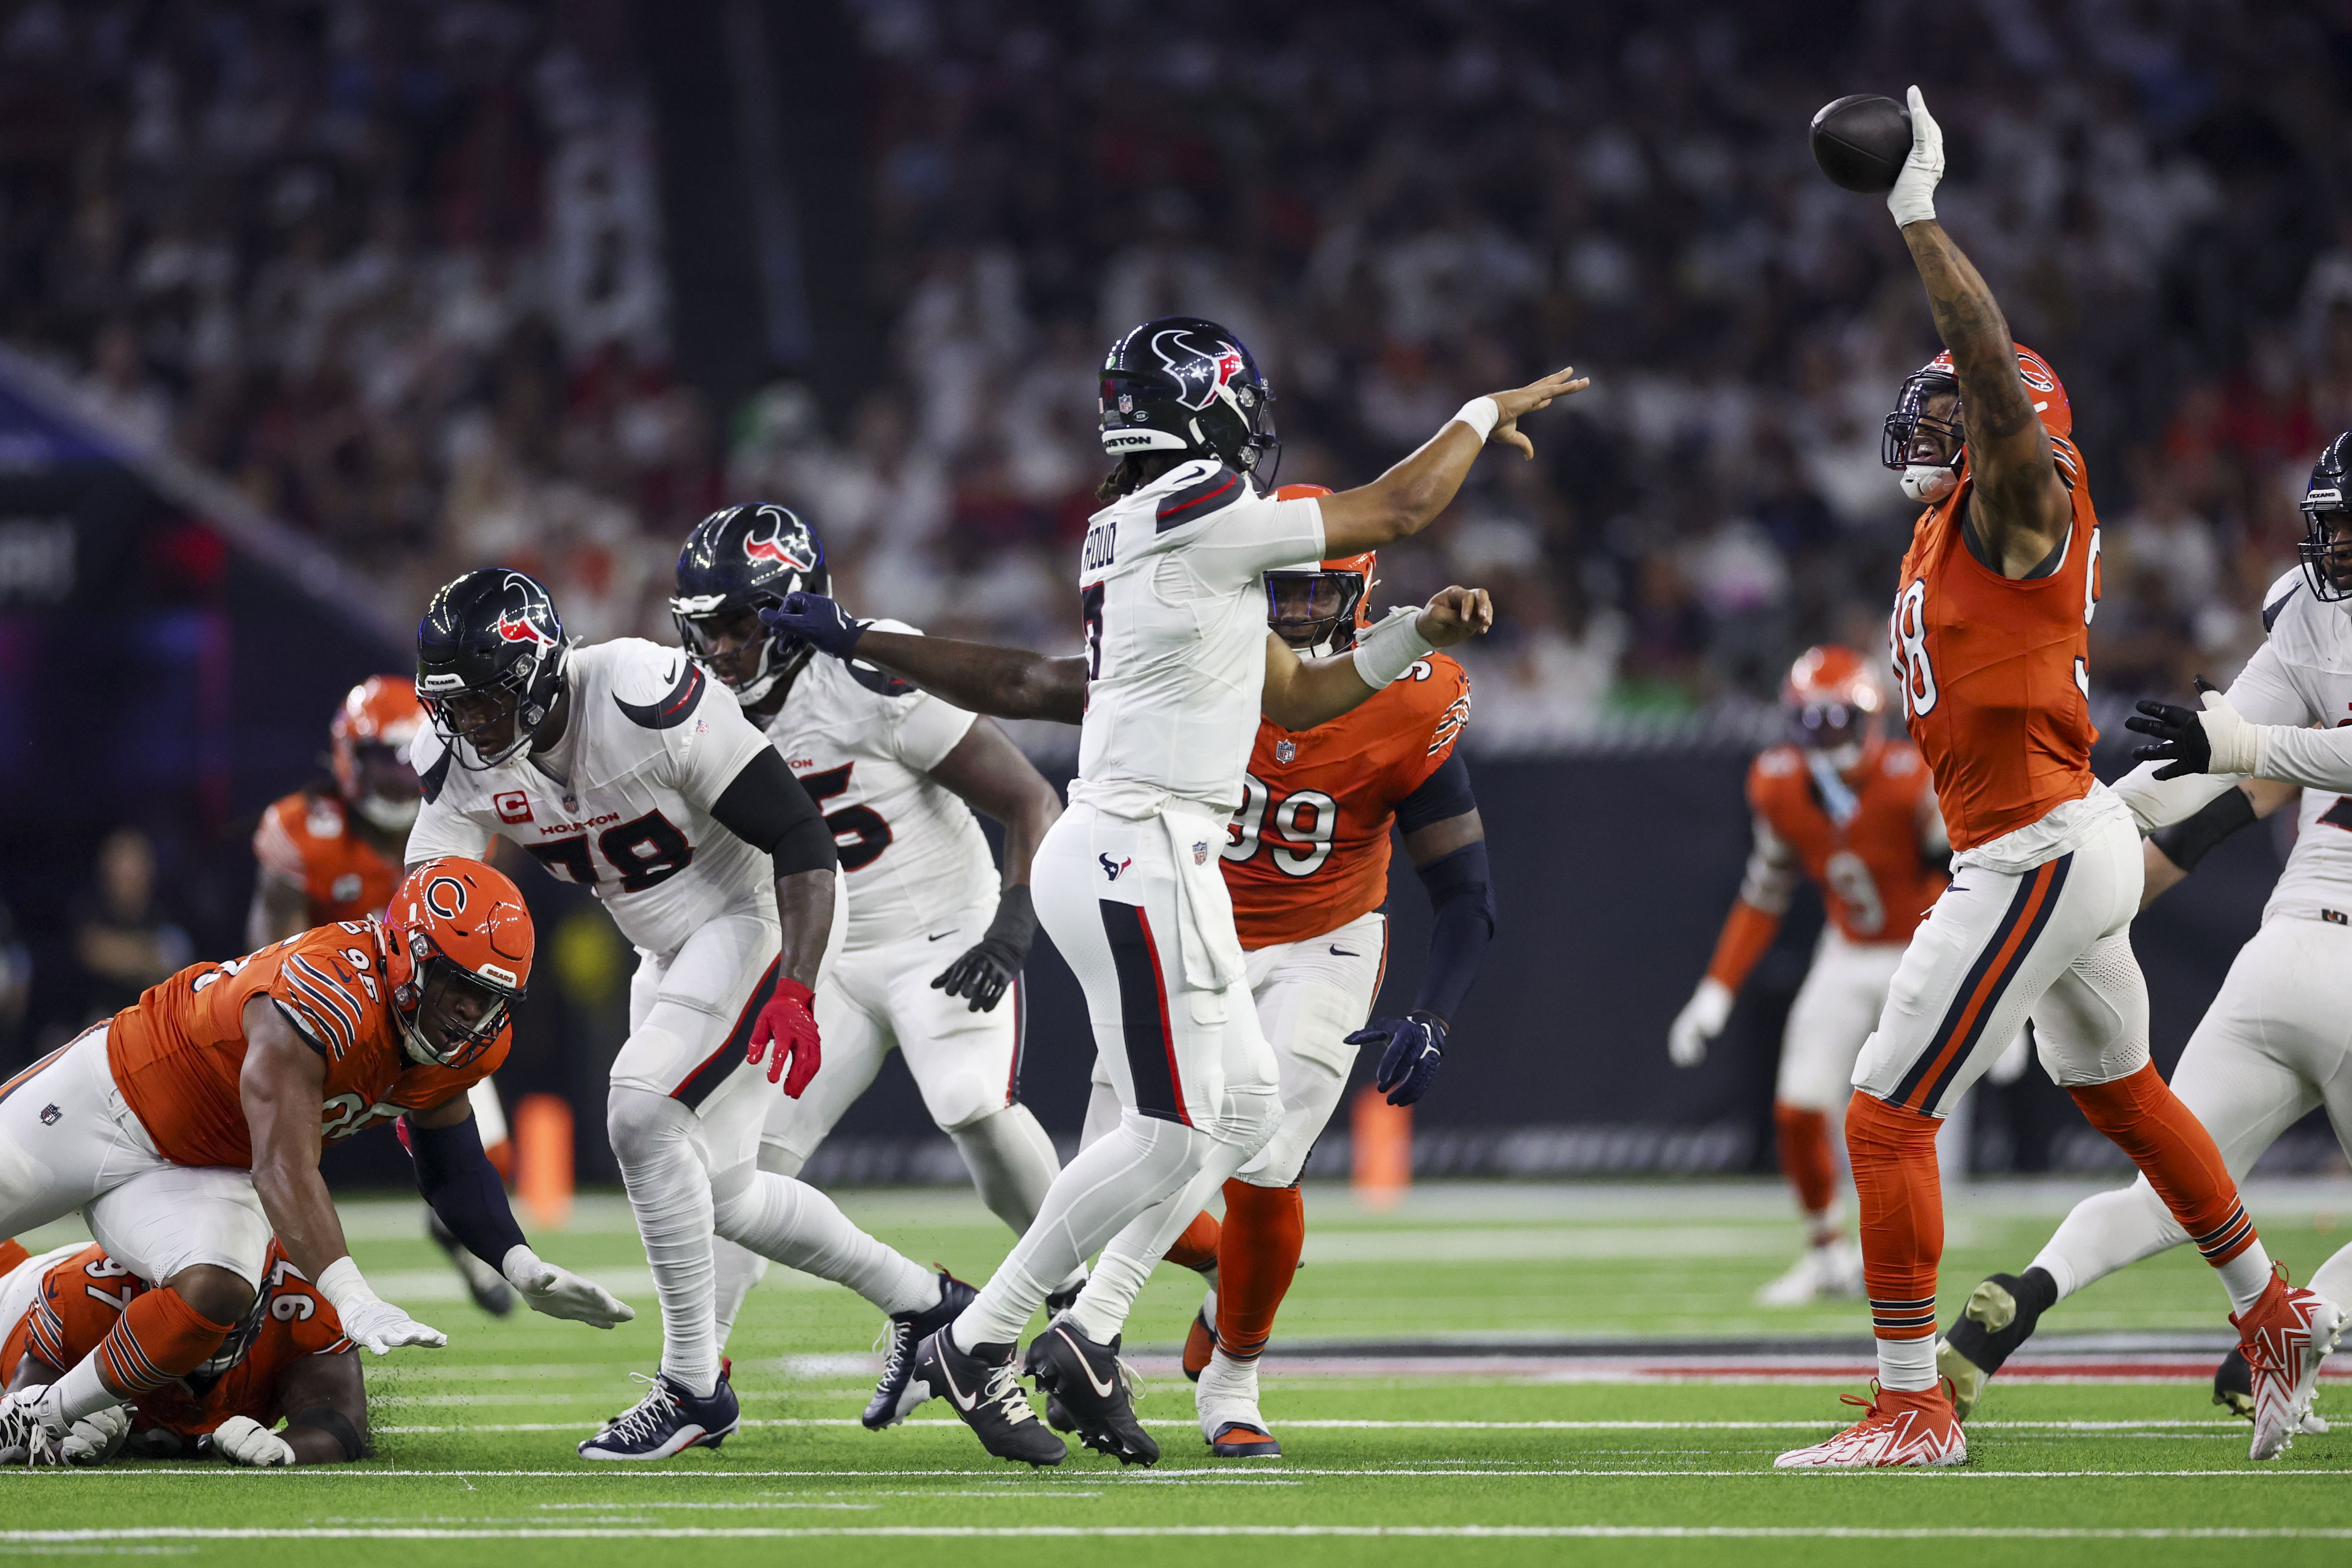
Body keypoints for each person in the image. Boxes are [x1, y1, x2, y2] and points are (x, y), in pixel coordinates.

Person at [765, 314, 1580, 1465]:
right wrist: (1481, 415)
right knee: (1166, 1132)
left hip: (1137, 847)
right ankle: (990, 1335)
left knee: (1238, 1114)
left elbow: (1291, 700)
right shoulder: (1194, 500)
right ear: (1212, 404)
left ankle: (1078, 1337)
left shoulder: (1139, 523)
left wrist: (1403, 632)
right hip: (1141, 843)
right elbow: (1399, 509)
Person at [1773, 88, 2327, 1470]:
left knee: (1885, 1108)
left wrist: (1915, 218)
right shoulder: (1949, 527)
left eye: (1955, 406)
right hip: (2050, 835)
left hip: (2027, 850)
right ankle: (2270, 1317)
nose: (1926, 421)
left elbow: (1986, 375)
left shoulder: (2028, 496)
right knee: (2131, 1097)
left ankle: (1914, 1405)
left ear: (2000, 422)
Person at [403, 567, 965, 1461]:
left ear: (539, 669)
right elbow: (422, 905)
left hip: (753, 915)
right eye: (454, 705)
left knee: (639, 1108)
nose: (469, 723)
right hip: (664, 947)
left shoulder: (636, 693)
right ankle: (931, 1306)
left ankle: (694, 1387)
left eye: (483, 700)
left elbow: (799, 833)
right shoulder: (460, 766)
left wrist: (798, 983)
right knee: (725, 1191)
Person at [1052, 489, 1496, 1459]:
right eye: (1278, 591)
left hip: (1320, 941)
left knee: (1264, 1147)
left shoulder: (1411, 693)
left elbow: (1464, 887)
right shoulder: (1188, 658)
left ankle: (1234, 1375)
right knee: (1113, 1171)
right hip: (1186, 928)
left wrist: (1435, 1010)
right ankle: (1218, 1281)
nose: (1295, 614)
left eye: (1315, 594)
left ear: (1362, 590)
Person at [0, 858, 624, 1466]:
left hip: (206, 1166)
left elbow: (451, 1162)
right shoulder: (325, 993)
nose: (470, 1011)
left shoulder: (464, 1045)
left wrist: (520, 1262)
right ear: (408, 956)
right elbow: (283, 1167)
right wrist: (350, 1294)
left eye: (489, 996)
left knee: (218, 1289)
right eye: (458, 984)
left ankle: (39, 1416)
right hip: (111, 1095)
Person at [669, 503, 1071, 1428]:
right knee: (740, 1168)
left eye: (740, 623)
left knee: (967, 1101)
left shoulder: (871, 672)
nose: (722, 646)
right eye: (708, 625)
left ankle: (1076, 1302)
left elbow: (1028, 795)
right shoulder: (696, 706)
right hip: (830, 953)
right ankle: (700, 1378)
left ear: (792, 608)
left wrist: (1012, 927)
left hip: (942, 933)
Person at [1998, 430, 2352, 1437]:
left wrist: (2229, 750)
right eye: (2335, 526)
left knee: (2172, 1185)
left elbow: (2249, 750)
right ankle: (2304, 1321)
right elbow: (2216, 747)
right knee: (2175, 1183)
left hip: (2281, 959)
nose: (2336, 549)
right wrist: (2090, 821)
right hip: (2320, 946)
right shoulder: (2316, 615)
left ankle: (2021, 1300)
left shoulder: (2313, 618)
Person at [1668, 646, 1948, 1305]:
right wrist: (1716, 988)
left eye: (1837, 719)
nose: (1825, 736)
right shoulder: (1778, 783)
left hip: (1927, 953)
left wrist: (1997, 997)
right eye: (1811, 722)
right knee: (1797, 1106)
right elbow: (1763, 894)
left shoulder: (1913, 773)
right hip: (1846, 951)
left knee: (1906, 1127)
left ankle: (1907, 1276)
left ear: (1869, 716)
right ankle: (1825, 1256)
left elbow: (1964, 879)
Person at [250, 675, 516, 1316]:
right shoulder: (302, 831)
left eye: (409, 757)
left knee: (490, 1152)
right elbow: (269, 964)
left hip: (425, 1023)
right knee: (272, 1156)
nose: (401, 777)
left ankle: (460, 1234)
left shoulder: (456, 824)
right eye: (383, 759)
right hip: (329, 1022)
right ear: (347, 757)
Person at [1, 1235, 369, 1467]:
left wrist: (284, 1450)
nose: (211, 1321)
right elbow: (16, 1422)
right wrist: (61, 1438)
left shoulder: (303, 1291)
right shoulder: (85, 1292)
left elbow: (340, 1422)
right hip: (15, 1298)